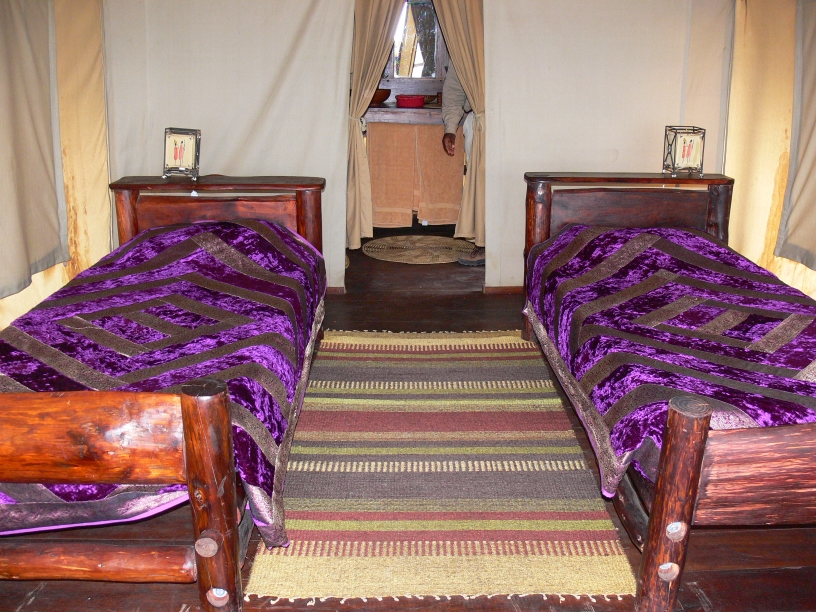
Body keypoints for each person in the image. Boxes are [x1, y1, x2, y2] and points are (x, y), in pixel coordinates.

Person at [442, 63, 484, 266]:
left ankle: (505, 244)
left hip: (512, 119)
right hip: (479, 120)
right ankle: (483, 243)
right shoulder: (466, 47)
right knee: (480, 186)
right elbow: (454, 89)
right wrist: (450, 128)